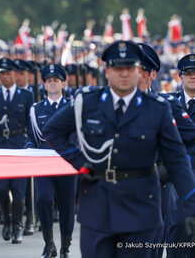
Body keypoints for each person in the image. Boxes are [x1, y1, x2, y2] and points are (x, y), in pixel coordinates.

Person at [42, 40, 195, 257]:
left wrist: (191, 203)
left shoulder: (158, 109)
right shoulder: (87, 102)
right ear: (107, 71)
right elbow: (52, 131)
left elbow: (178, 160)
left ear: (139, 72)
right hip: (97, 203)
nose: (124, 74)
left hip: (141, 205)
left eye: (130, 68)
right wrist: (81, 163)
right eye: (118, 68)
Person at [138, 44, 195, 258]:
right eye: (188, 73)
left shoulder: (165, 105)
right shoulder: (168, 102)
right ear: (180, 76)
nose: (192, 77)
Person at [25, 64, 77, 258]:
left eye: (56, 80)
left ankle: (64, 247)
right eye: (48, 81)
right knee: (43, 199)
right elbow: (33, 137)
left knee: (67, 205)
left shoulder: (72, 106)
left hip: (67, 162)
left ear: (64, 83)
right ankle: (49, 244)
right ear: (44, 85)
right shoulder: (36, 110)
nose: (52, 83)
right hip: (44, 163)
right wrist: (29, 147)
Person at [0, 58, 34, 244]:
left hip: (19, 145)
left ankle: (17, 227)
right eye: (2, 74)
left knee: (19, 190)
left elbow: (31, 124)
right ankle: (6, 221)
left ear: (15, 74)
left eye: (8, 73)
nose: (4, 77)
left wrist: (30, 145)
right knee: (1, 188)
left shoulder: (26, 95)